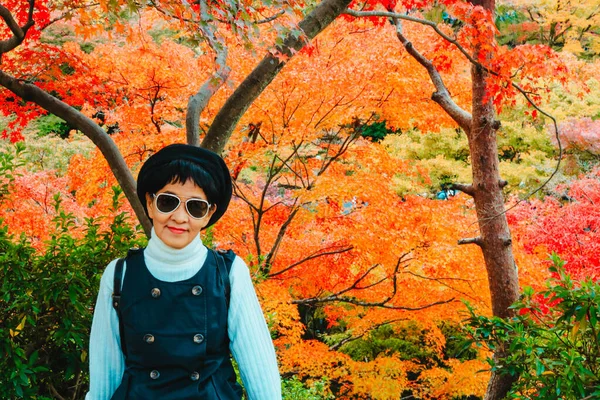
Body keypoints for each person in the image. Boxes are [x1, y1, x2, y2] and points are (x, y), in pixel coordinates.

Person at [86, 144, 282, 399]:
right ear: (149, 202)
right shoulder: (119, 274)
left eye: (195, 207)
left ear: (209, 214)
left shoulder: (229, 272)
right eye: (168, 202)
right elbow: (105, 371)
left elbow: (258, 368)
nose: (179, 217)